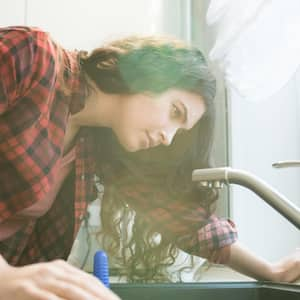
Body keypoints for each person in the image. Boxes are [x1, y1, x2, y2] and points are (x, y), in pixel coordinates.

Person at [0, 25, 299, 298]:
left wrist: (271, 271)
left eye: (179, 132)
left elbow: (184, 220)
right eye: (175, 112)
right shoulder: (32, 56)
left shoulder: (94, 146)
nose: (168, 138)